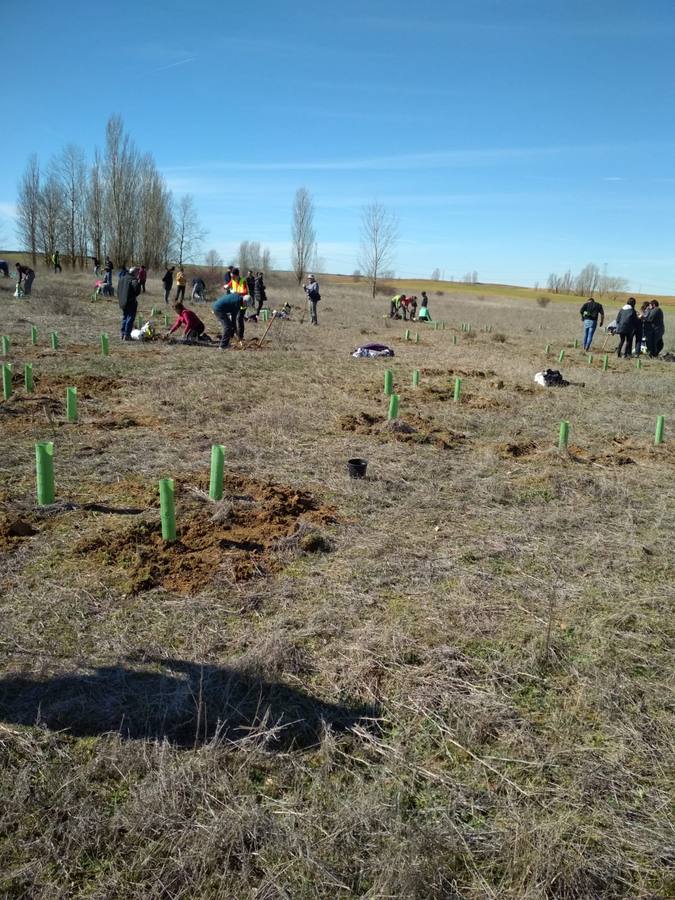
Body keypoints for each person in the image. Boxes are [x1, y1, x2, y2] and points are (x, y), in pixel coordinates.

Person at [118, 269, 141, 341]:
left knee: (125, 317)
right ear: (134, 273)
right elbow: (137, 291)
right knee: (130, 317)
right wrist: (138, 283)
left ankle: (122, 334)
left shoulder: (122, 278)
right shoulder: (133, 280)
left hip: (123, 301)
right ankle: (127, 335)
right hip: (130, 301)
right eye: (137, 273)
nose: (138, 274)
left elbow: (118, 290)